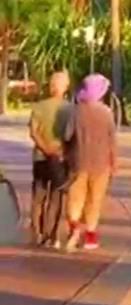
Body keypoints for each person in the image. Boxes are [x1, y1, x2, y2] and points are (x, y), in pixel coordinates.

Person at [65, 73, 117, 253]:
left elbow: (67, 136)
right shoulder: (106, 112)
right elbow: (112, 140)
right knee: (95, 200)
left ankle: (73, 228)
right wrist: (114, 162)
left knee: (76, 198)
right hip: (101, 163)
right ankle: (90, 237)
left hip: (78, 161)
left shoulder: (76, 111)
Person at [28, 69, 74, 248]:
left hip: (40, 156)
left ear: (50, 86)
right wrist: (59, 149)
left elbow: (33, 131)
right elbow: (71, 135)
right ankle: (51, 234)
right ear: (65, 87)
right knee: (56, 197)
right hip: (60, 158)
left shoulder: (39, 107)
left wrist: (45, 148)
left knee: (38, 197)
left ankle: (36, 232)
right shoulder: (69, 109)